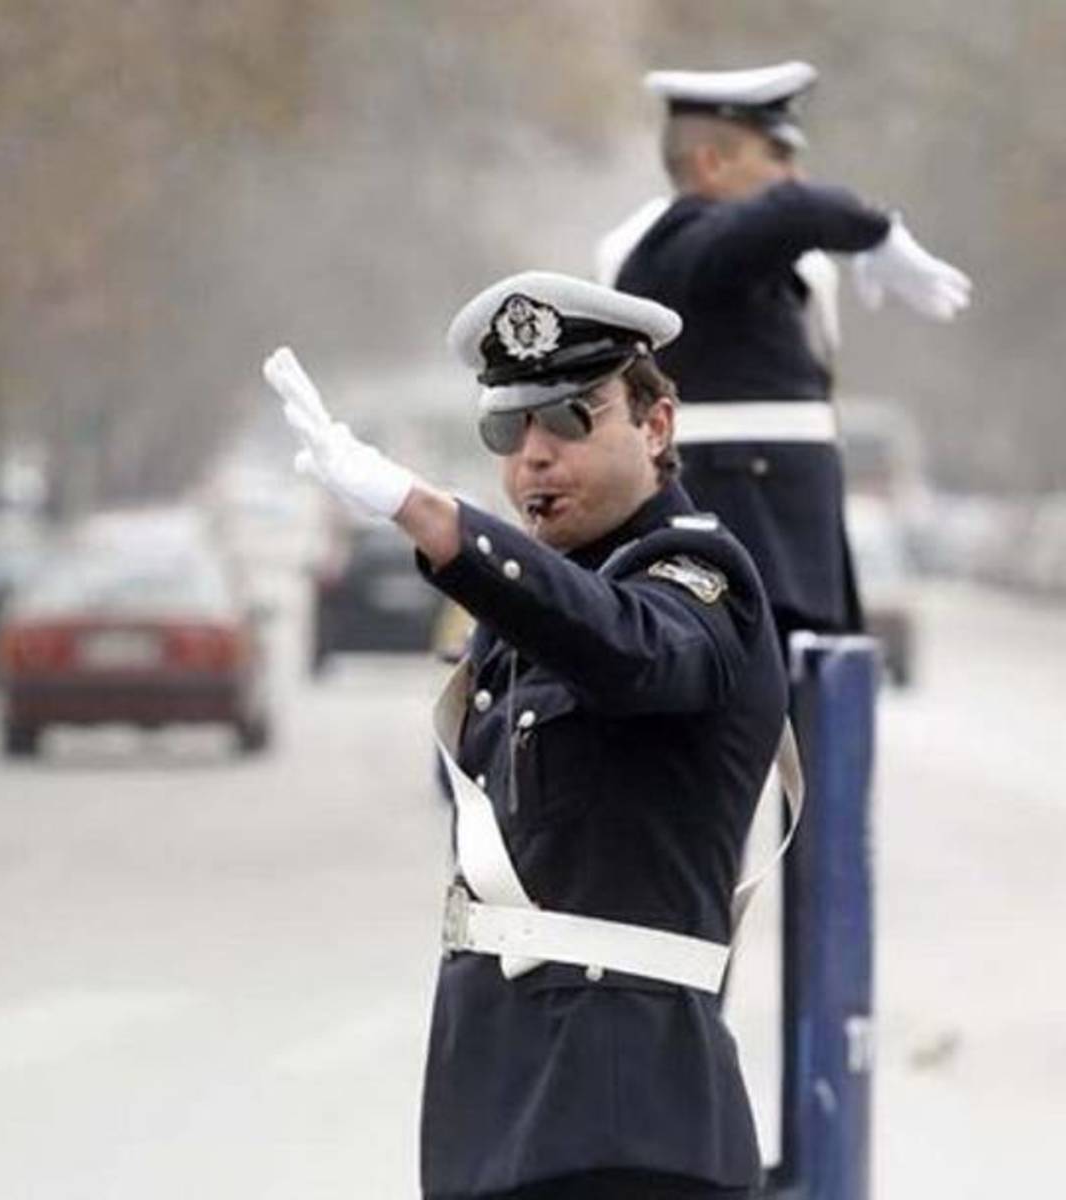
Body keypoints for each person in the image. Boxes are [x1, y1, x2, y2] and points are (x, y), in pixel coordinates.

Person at [263, 271, 798, 1199]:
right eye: (508, 431)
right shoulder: (525, 604)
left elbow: (630, 654)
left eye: (570, 419)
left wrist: (427, 515)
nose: (533, 458)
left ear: (656, 426)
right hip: (506, 1118)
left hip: (628, 1129)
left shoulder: (701, 576)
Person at [613, 61, 971, 645]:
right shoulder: (682, 253)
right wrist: (873, 231)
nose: (793, 176)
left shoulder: (741, 267)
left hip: (776, 550)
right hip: (747, 546)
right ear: (711, 162)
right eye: (776, 158)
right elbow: (796, 212)